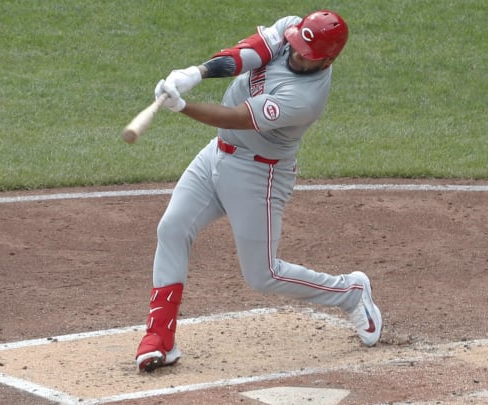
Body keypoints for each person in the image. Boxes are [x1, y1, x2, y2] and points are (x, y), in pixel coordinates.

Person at [135, 10, 383, 372]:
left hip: (258, 174)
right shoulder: (291, 30)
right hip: (216, 155)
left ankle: (351, 293)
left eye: (306, 54)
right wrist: (196, 73)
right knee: (172, 227)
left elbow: (236, 116)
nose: (296, 54)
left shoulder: (305, 98)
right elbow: (246, 54)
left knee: (263, 274)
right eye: (296, 45)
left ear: (330, 59)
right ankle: (160, 337)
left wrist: (183, 107)